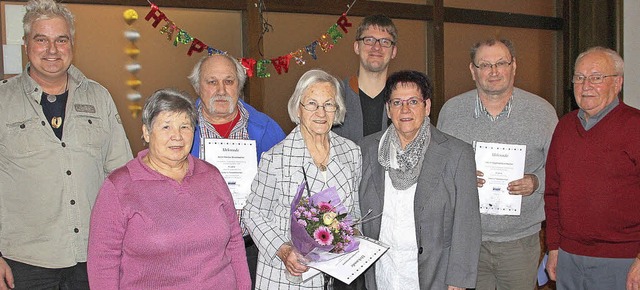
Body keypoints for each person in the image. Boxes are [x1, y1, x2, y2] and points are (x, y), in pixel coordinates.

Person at [0, 0, 133, 288]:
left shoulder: (99, 98)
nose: (52, 50)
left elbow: (122, 177)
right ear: (26, 44)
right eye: (41, 40)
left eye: (61, 39)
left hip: (93, 257)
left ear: (72, 43)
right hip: (23, 263)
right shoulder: (3, 101)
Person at [87, 89, 251, 289]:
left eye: (185, 126)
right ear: (147, 132)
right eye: (166, 127)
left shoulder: (211, 176)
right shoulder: (120, 186)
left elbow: (234, 240)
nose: (177, 136)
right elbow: (102, 261)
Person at [437, 39, 558, 290]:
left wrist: (536, 182)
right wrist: (462, 178)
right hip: (467, 241)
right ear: (473, 71)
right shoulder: (452, 112)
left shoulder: (542, 112)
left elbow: (559, 170)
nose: (494, 71)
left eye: (501, 63)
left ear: (514, 66)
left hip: (520, 241)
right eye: (485, 65)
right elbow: (439, 170)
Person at [359, 70, 481, 290]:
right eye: (397, 102)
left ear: (427, 107)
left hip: (434, 274)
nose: (405, 109)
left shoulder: (456, 153)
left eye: (413, 101)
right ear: (388, 109)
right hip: (382, 271)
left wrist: (458, 280)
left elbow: (467, 222)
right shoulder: (367, 149)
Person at [244, 69, 361, 289]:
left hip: (337, 277)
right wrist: (283, 249)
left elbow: (353, 211)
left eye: (328, 104)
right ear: (298, 109)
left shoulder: (351, 153)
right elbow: (253, 212)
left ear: (337, 110)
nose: (321, 112)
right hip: (287, 277)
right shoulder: (276, 157)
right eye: (312, 104)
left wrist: (353, 236)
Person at [544, 47, 640, 290]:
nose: (586, 85)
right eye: (579, 77)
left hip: (623, 260)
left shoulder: (635, 126)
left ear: (617, 83)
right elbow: (553, 193)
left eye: (596, 77)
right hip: (569, 258)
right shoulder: (564, 126)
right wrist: (553, 247)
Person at [187, 53, 286, 287]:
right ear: (197, 87)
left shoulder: (267, 129)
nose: (221, 90)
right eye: (212, 82)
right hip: (196, 252)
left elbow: (286, 190)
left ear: (239, 86)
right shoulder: (181, 128)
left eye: (229, 81)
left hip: (253, 250)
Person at [332, 14, 398, 143]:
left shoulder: (403, 100)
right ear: (357, 47)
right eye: (369, 40)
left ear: (394, 51)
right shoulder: (335, 96)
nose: (377, 47)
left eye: (385, 42)